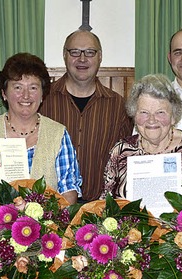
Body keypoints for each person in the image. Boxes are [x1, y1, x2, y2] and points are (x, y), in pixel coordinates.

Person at [0, 53, 82, 204]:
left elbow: (68, 191)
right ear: (4, 93)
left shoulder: (58, 134)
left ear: (43, 94)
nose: (26, 95)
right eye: (18, 87)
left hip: (48, 225)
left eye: (33, 88)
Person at [38, 30, 133, 202]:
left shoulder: (118, 105)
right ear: (64, 55)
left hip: (100, 206)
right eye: (75, 52)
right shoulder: (43, 100)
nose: (82, 59)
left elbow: (124, 159)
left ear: (100, 57)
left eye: (90, 52)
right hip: (51, 206)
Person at [101, 74, 182, 199]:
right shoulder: (120, 151)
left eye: (160, 113)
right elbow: (106, 204)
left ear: (173, 116)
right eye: (144, 112)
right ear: (134, 116)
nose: (152, 120)